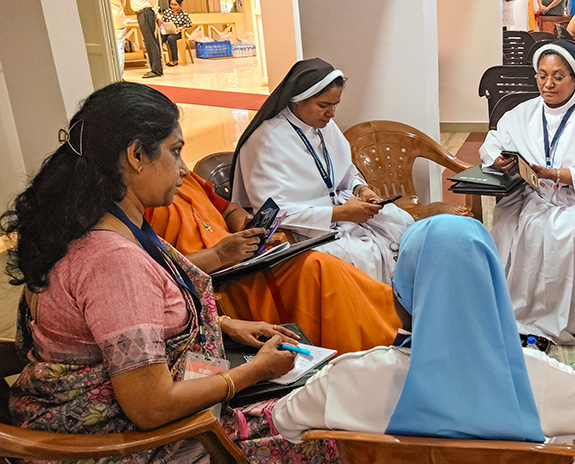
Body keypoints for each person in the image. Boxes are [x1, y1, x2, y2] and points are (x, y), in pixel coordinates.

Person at [1, 81, 337, 462]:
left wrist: (225, 325)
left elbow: (130, 321)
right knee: (326, 433)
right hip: (137, 445)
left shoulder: (102, 223)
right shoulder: (113, 262)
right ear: (136, 155)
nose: (183, 169)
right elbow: (151, 407)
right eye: (175, 152)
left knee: (318, 401)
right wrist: (253, 372)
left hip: (151, 416)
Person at [272, 215, 575, 443]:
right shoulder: (540, 379)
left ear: (403, 295)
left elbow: (285, 421)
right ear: (494, 287)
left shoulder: (348, 377)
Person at [145, 172, 401, 353]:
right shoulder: (143, 201)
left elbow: (228, 209)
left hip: (245, 261)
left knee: (318, 263)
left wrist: (246, 227)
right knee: (316, 269)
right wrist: (220, 255)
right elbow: (154, 275)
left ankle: (394, 335)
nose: (182, 166)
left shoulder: (185, 179)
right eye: (174, 151)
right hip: (219, 286)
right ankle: (372, 350)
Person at [479, 41, 575, 345]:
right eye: (542, 75)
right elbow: (492, 142)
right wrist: (499, 159)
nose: (548, 84)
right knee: (516, 227)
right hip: (535, 196)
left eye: (558, 77)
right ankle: (527, 315)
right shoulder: (523, 112)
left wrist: (556, 175)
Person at [231, 58, 414, 285]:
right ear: (297, 100)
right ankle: (376, 314)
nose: (331, 113)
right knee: (363, 255)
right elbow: (272, 213)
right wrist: (340, 214)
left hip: (341, 210)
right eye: (323, 105)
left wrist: (361, 188)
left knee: (401, 223)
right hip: (303, 227)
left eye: (335, 104)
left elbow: (346, 170)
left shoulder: (324, 125)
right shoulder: (267, 139)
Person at [131, 0, 162, 78]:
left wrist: (156, 13)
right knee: (148, 41)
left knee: (150, 41)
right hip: (142, 13)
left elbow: (154, 1)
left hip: (146, 12)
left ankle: (156, 70)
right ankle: (155, 68)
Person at [159, 0, 192, 67]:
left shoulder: (184, 14)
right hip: (167, 31)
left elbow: (189, 24)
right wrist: (162, 24)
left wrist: (180, 28)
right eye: (171, 4)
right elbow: (163, 22)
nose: (173, 6)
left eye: (175, 5)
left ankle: (174, 60)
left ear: (180, 5)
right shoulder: (167, 12)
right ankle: (158, 58)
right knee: (160, 38)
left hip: (178, 33)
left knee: (171, 38)